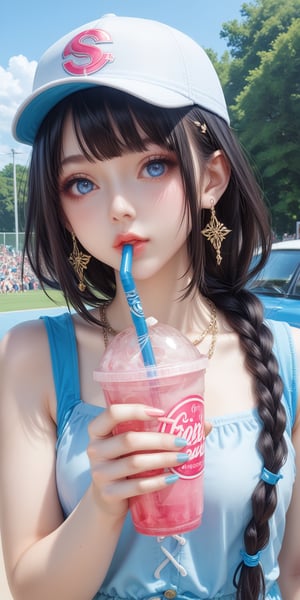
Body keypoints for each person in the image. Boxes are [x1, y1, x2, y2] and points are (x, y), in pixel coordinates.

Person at [0, 13, 299, 600]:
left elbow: (294, 576)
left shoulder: (286, 359)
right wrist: (104, 503)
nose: (116, 206)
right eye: (80, 182)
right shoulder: (34, 357)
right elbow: (30, 586)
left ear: (211, 178)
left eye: (152, 165)